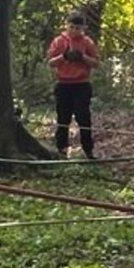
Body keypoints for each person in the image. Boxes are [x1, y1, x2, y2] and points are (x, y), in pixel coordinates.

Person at [47, 11, 100, 159]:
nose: (74, 31)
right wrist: (64, 56)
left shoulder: (87, 42)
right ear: (66, 26)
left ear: (83, 28)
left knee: (83, 117)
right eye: (72, 27)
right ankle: (61, 149)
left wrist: (82, 57)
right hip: (63, 84)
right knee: (63, 118)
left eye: (78, 28)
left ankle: (88, 150)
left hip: (82, 85)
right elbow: (51, 62)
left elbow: (96, 63)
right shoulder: (59, 41)